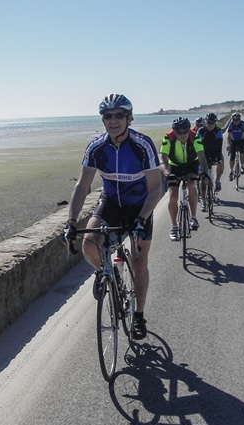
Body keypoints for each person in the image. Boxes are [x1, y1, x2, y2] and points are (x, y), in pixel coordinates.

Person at [64, 94, 162, 340]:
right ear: (103, 120)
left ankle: (138, 316)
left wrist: (142, 218)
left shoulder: (142, 145)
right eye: (108, 116)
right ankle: (106, 272)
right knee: (89, 244)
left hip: (140, 207)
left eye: (119, 115)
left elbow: (156, 187)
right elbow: (82, 186)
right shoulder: (96, 148)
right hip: (111, 203)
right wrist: (71, 222)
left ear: (129, 118)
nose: (113, 120)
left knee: (139, 262)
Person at [160, 117, 209, 241]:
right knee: (173, 196)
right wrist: (166, 173)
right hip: (174, 166)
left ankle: (193, 217)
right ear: (174, 132)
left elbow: (202, 157)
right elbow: (162, 159)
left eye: (185, 132)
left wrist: (204, 173)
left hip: (191, 165)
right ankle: (174, 226)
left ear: (189, 130)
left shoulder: (195, 137)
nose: (182, 135)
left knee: (191, 185)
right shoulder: (168, 137)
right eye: (178, 132)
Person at [197, 112, 224, 210]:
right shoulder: (200, 131)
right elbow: (196, 146)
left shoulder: (218, 131)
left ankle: (217, 181)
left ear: (215, 123)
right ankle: (203, 200)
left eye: (212, 123)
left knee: (221, 161)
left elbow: (219, 146)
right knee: (202, 178)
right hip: (203, 155)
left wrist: (218, 159)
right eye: (208, 122)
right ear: (205, 122)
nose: (210, 125)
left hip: (214, 153)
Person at [226, 112, 244, 180]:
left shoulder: (242, 124)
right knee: (232, 156)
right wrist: (228, 145)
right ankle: (231, 171)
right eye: (234, 120)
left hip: (241, 140)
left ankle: (242, 166)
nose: (235, 121)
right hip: (233, 141)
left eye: (237, 120)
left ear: (239, 119)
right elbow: (228, 136)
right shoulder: (231, 124)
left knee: (242, 151)